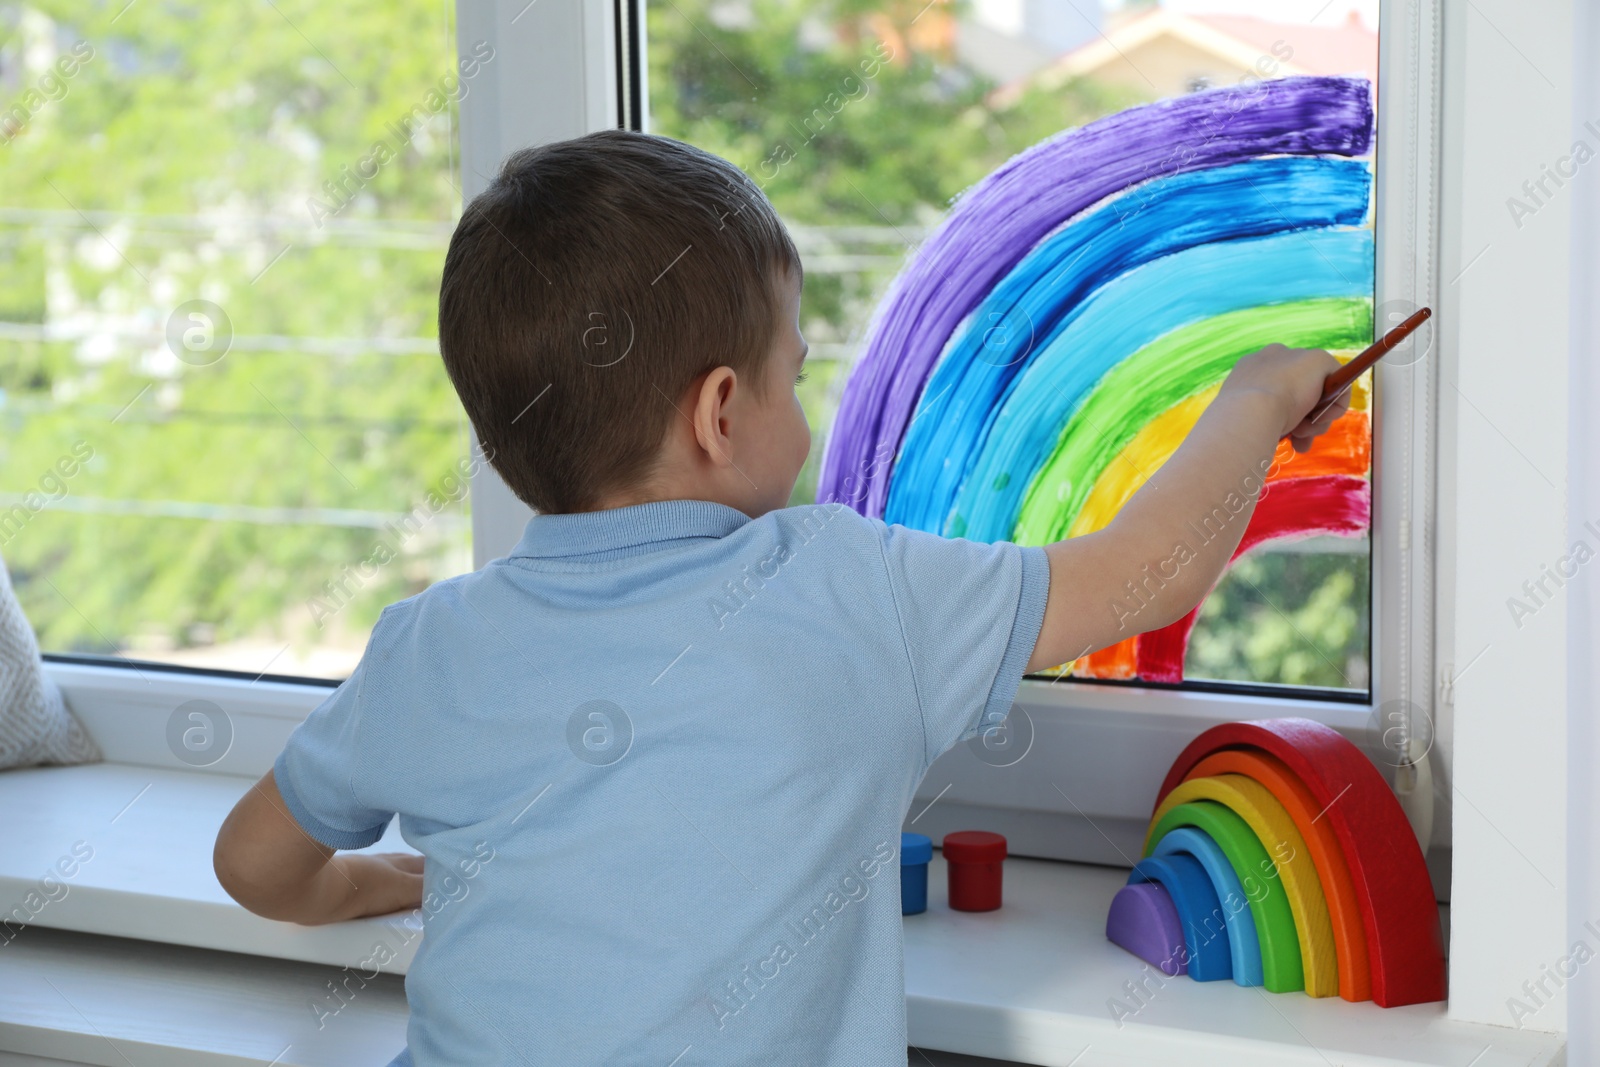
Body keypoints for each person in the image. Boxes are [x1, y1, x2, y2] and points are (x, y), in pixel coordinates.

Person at [213, 129, 1347, 1066]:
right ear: (718, 413)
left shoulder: (430, 645)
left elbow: (252, 864)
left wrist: (370, 882)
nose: (804, 410)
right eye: (793, 374)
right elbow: (1151, 569)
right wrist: (1252, 393)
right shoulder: (847, 587)